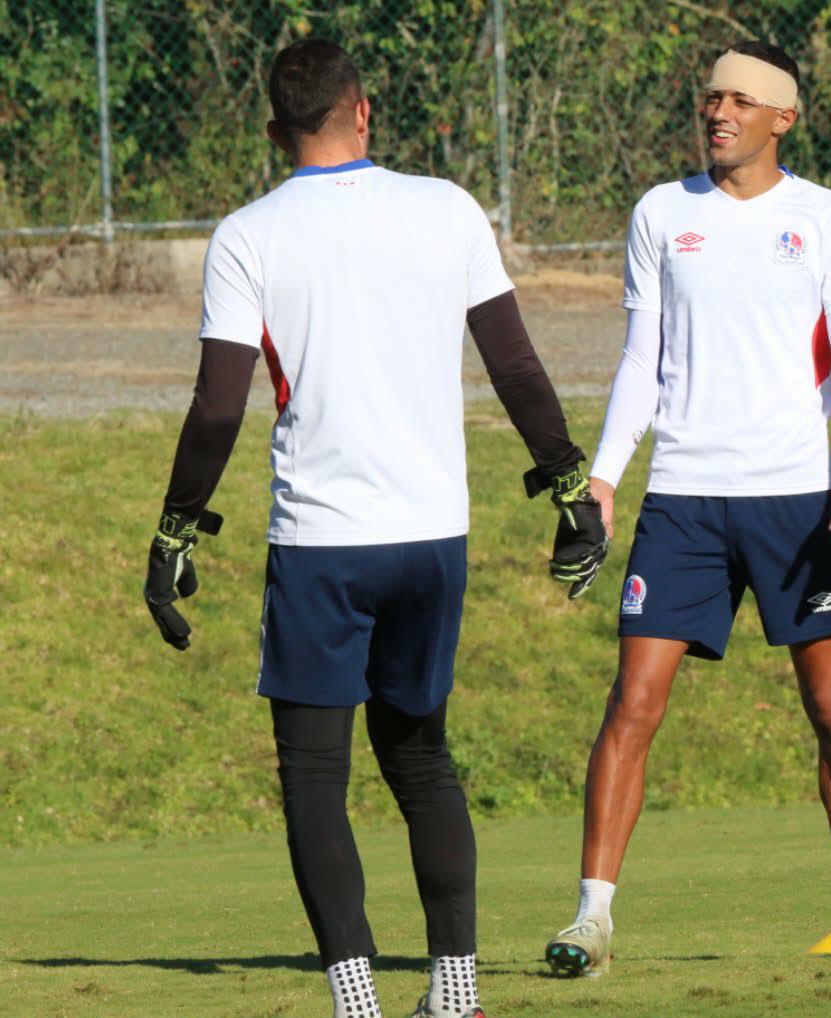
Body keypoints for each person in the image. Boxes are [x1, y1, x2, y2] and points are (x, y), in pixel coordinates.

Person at [142, 38, 607, 1018]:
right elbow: (517, 366)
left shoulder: (248, 234)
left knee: (316, 774)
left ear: (274, 132)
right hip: (433, 536)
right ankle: (455, 995)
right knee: (421, 756)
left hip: (322, 541)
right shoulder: (445, 209)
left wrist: (176, 533)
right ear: (364, 109)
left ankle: (358, 1003)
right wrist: (570, 490)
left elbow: (220, 405)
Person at [543, 39, 831, 976]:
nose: (718, 112)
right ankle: (591, 919)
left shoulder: (823, 219)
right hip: (684, 503)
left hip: (795, 503)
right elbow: (640, 362)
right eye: (710, 98)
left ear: (783, 117)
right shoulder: (662, 213)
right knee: (633, 702)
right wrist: (609, 475)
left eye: (741, 100)